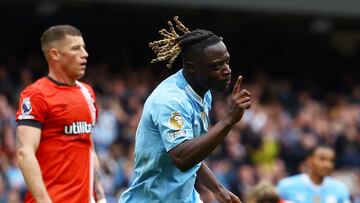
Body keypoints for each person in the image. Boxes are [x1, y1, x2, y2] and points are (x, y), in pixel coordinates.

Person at [119, 16, 251, 203]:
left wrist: (217, 188)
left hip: (186, 198)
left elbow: (194, 150)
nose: (227, 70)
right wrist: (229, 120)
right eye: (216, 66)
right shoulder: (171, 101)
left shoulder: (203, 92)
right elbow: (182, 157)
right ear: (191, 68)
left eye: (226, 62)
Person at [16, 25, 106, 203]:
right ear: (55, 54)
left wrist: (101, 196)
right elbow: (24, 152)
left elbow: (89, 146)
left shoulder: (87, 93)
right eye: (75, 48)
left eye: (84, 47)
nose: (85, 53)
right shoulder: (36, 95)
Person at [277, 144, 351, 203]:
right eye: (322, 159)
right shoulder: (286, 186)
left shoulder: (340, 189)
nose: (327, 165)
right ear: (309, 160)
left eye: (331, 161)